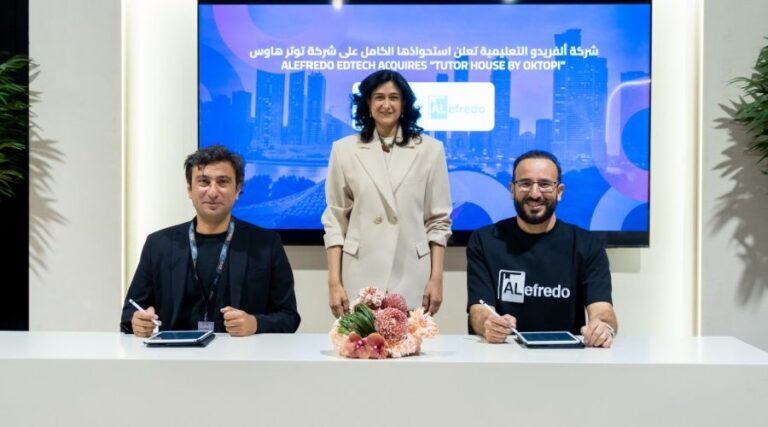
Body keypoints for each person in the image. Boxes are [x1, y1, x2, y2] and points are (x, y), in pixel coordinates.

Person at [121, 145, 300, 337]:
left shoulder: (266, 244)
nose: (213, 192)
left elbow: (289, 317)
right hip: (175, 353)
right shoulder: (159, 244)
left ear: (238, 189)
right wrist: (137, 321)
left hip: (241, 353)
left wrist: (255, 323)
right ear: (189, 189)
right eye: (203, 182)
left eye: (223, 182)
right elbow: (130, 312)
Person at [322, 69, 452, 317]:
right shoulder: (344, 150)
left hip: (412, 273)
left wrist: (437, 279)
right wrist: (333, 282)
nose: (386, 104)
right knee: (360, 341)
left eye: (394, 97)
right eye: (379, 97)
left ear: (404, 105)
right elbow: (335, 220)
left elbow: (438, 221)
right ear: (368, 103)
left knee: (409, 341)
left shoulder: (431, 150)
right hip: (359, 272)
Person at [466, 150, 617, 347]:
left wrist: (603, 328)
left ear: (559, 191)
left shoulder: (588, 244)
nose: (535, 194)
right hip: (504, 355)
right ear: (512, 189)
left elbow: (603, 310)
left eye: (545, 184)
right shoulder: (484, 240)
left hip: (567, 357)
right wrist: (488, 324)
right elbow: (478, 309)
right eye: (525, 184)